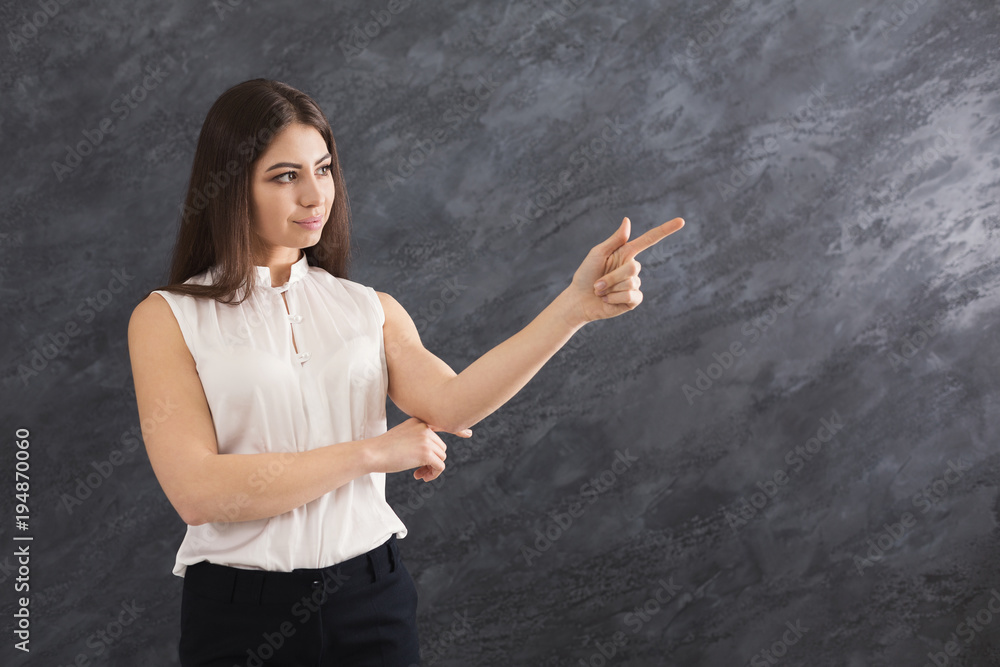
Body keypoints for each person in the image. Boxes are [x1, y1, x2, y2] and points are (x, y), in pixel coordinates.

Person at [126, 78, 685, 666]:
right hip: (240, 615)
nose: (317, 197)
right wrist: (371, 453)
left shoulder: (369, 307)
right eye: (286, 176)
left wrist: (574, 308)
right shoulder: (168, 318)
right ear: (231, 187)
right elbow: (197, 492)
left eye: (323, 169)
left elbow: (453, 404)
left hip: (371, 600)